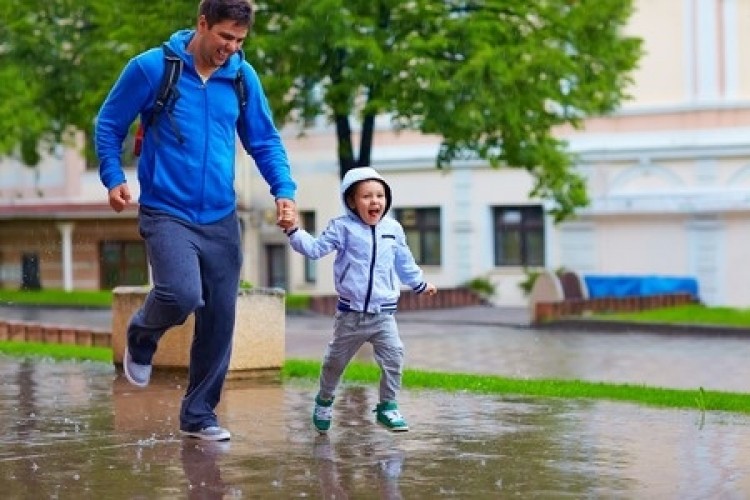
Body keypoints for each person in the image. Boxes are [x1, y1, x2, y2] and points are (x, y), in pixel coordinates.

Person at [95, 0, 297, 441]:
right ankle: (142, 335)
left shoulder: (242, 77)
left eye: (240, 40)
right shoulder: (153, 68)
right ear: (202, 23)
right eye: (225, 36)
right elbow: (109, 123)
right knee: (182, 293)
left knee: (220, 317)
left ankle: (200, 415)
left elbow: (264, 140)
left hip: (221, 216)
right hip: (167, 210)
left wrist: (284, 190)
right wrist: (113, 177)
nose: (231, 48)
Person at [283, 167, 437, 433]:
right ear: (352, 201)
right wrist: (294, 231)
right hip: (350, 316)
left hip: (383, 316)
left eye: (380, 195)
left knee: (394, 358)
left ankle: (387, 407)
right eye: (366, 196)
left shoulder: (393, 229)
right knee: (335, 362)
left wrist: (420, 283)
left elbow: (404, 262)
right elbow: (315, 249)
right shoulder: (342, 228)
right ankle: (325, 399)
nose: (374, 201)